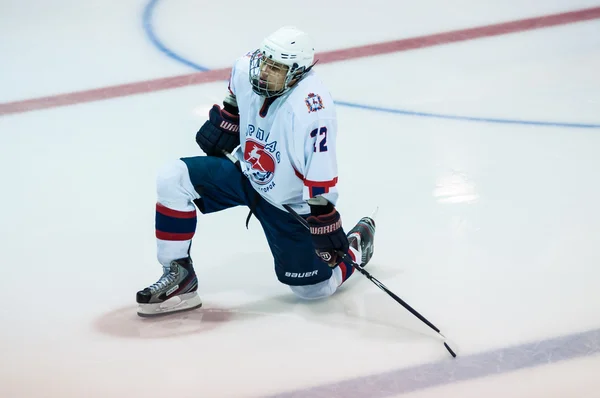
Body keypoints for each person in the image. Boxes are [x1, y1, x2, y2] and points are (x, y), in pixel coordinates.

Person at [136, 26, 376, 317]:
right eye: (264, 62)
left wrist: (323, 219)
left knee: (312, 291)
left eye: (276, 69)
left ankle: (354, 247)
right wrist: (228, 119)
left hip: (287, 204)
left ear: (297, 73)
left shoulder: (313, 111)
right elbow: (235, 100)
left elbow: (319, 176)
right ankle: (180, 277)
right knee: (172, 177)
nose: (264, 72)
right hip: (245, 174)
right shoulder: (244, 67)